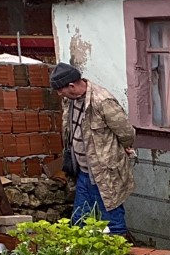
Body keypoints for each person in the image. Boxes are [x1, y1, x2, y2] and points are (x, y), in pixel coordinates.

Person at [51, 62, 136, 238]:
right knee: (80, 220)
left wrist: (123, 149)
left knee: (112, 220)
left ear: (72, 86)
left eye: (61, 90)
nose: (59, 94)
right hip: (83, 171)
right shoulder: (70, 101)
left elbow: (126, 132)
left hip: (104, 172)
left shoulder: (102, 101)